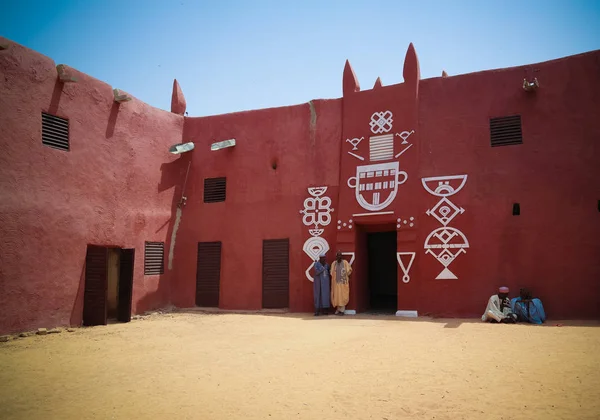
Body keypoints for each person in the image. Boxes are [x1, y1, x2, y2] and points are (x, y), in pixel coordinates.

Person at [330, 251, 352, 316]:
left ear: (341, 256)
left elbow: (349, 270)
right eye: (338, 255)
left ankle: (342, 311)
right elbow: (331, 272)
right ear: (336, 257)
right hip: (336, 283)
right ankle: (338, 310)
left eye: (340, 255)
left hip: (343, 283)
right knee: (337, 297)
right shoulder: (334, 263)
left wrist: (345, 275)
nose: (339, 257)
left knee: (342, 296)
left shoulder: (345, 263)